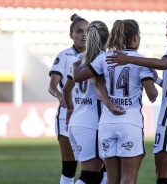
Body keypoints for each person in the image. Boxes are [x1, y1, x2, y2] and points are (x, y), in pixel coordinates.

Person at [106, 12, 167, 184]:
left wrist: (129, 59)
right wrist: (157, 79)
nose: (166, 34)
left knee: (163, 174)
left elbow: (162, 63)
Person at [72, 19, 158, 184]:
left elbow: (88, 80)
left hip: (106, 123)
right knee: (129, 179)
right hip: (129, 123)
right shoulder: (140, 61)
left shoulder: (105, 58)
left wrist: (110, 104)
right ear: (135, 38)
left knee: (111, 180)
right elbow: (152, 94)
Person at [63, 20, 121, 184]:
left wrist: (69, 109)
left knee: (98, 174)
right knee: (90, 175)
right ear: (107, 39)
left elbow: (66, 90)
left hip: (76, 122)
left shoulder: (79, 60)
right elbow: (99, 85)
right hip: (93, 124)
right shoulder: (104, 60)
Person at [48, 13, 89, 184]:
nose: (84, 35)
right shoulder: (64, 56)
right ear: (71, 35)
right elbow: (52, 85)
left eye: (87, 31)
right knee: (70, 167)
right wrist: (59, 95)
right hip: (67, 116)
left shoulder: (96, 56)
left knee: (96, 168)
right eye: (78, 31)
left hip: (89, 116)